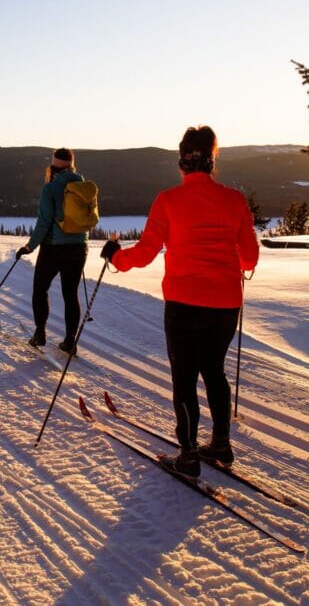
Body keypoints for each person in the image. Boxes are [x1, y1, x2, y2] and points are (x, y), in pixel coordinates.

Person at [100, 126, 259, 478]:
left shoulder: (168, 200)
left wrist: (115, 257)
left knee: (184, 378)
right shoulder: (234, 201)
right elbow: (249, 258)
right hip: (225, 305)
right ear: (212, 162)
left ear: (183, 163)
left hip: (185, 303)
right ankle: (220, 443)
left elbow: (143, 254)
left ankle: (188, 454)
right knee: (214, 371)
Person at [16, 148, 89, 355]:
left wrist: (30, 246)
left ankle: (40, 334)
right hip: (79, 247)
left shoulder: (50, 189)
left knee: (40, 289)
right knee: (70, 293)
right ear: (72, 166)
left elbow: (44, 222)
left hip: (53, 248)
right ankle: (70, 341)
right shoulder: (84, 187)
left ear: (54, 166)